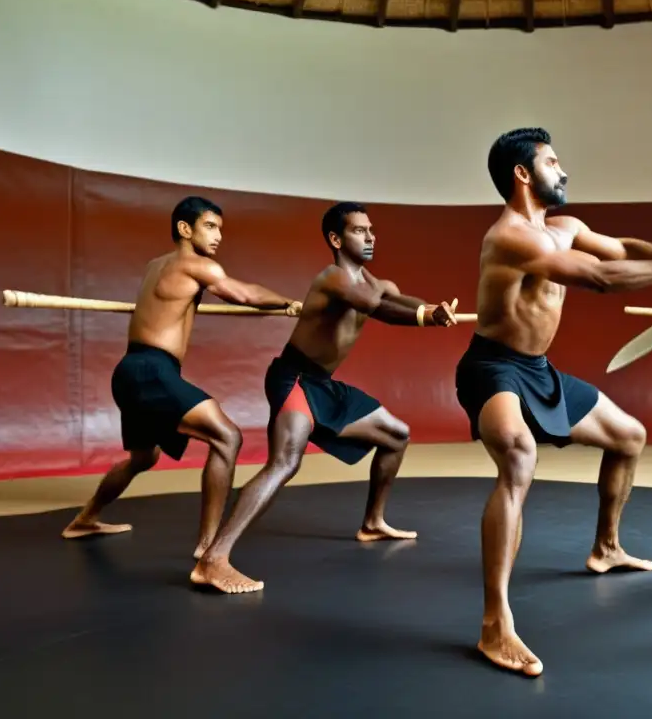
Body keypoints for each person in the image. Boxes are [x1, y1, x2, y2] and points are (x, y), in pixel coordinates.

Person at [456, 127, 652, 677]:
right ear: (523, 175)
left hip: (537, 369)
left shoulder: (566, 227)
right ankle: (494, 623)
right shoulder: (509, 238)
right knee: (518, 456)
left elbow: (622, 251)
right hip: (492, 367)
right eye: (553, 162)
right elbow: (600, 278)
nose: (564, 170)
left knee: (630, 437)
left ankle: (606, 547)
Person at [190, 202, 460, 594]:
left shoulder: (375, 282)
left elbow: (397, 298)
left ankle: (372, 523)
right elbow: (378, 308)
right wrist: (424, 317)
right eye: (358, 231)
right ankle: (213, 560)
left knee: (396, 436)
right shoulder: (333, 279)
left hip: (324, 383)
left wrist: (430, 309)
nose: (369, 237)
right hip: (294, 378)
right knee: (285, 463)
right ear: (336, 239)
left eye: (371, 230)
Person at [62, 196, 301, 558]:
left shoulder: (156, 266)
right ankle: (209, 551)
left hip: (130, 370)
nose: (219, 235)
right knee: (227, 437)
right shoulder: (199, 266)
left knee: (143, 459)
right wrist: (288, 303)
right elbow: (245, 294)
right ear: (184, 229)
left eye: (220, 228)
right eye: (210, 226)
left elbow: (170, 305)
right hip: (151, 371)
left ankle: (86, 518)